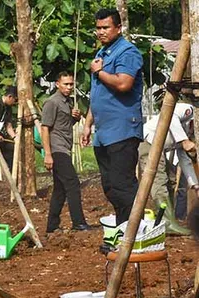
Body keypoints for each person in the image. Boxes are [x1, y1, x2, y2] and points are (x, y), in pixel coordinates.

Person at [81, 8, 144, 225]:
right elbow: (98, 95)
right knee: (109, 186)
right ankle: (123, 227)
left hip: (122, 130)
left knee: (122, 184)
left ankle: (133, 231)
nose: (101, 32)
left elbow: (124, 83)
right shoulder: (102, 54)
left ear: (118, 27)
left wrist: (99, 72)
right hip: (103, 132)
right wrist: (88, 124)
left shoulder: (128, 52)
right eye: (98, 28)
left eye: (106, 27)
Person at [41, 72, 90, 233]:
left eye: (71, 84)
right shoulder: (52, 102)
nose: (69, 87)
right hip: (57, 149)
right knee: (73, 184)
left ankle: (51, 226)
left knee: (60, 189)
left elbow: (64, 124)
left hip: (65, 148)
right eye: (66, 84)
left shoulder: (67, 103)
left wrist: (74, 118)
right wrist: (48, 154)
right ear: (57, 84)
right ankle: (79, 222)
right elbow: (45, 128)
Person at [138, 102, 198, 235]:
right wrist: (184, 141)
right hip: (149, 142)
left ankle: (168, 220)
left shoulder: (191, 132)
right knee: (159, 181)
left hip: (163, 148)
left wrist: (195, 185)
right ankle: (166, 221)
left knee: (171, 181)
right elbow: (170, 115)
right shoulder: (188, 110)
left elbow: (185, 159)